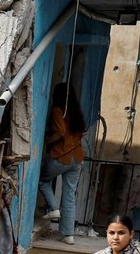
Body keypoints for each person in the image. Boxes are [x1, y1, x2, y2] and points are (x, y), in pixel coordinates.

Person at [39, 83, 86, 245]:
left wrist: (46, 140)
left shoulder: (58, 111)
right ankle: (68, 235)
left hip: (61, 156)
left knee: (42, 180)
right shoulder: (76, 111)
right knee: (69, 196)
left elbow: (60, 132)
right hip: (77, 158)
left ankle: (53, 209)